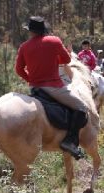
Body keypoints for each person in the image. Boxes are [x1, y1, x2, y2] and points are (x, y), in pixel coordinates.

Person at [15, 16, 88, 160]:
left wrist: (31, 79)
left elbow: (18, 70)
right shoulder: (54, 41)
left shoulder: (24, 46)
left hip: (35, 88)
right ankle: (69, 142)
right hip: (54, 87)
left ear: (30, 31)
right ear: (43, 30)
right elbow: (67, 60)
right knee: (82, 107)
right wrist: (54, 58)